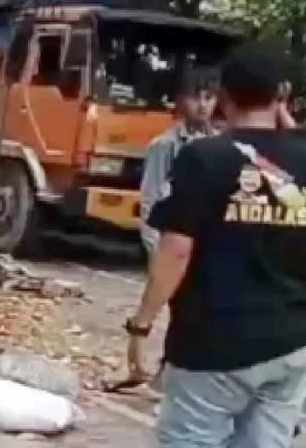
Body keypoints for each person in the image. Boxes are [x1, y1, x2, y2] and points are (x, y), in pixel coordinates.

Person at [125, 42, 306, 448]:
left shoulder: (205, 157)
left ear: (223, 96)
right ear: (282, 95)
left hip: (213, 346)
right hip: (291, 346)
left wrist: (141, 326)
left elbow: (175, 251)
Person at [139, 68, 220, 261]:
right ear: (181, 100)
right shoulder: (164, 145)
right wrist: (156, 249)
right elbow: (150, 197)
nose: (203, 105)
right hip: (173, 245)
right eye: (195, 98)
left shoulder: (222, 144)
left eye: (208, 98)